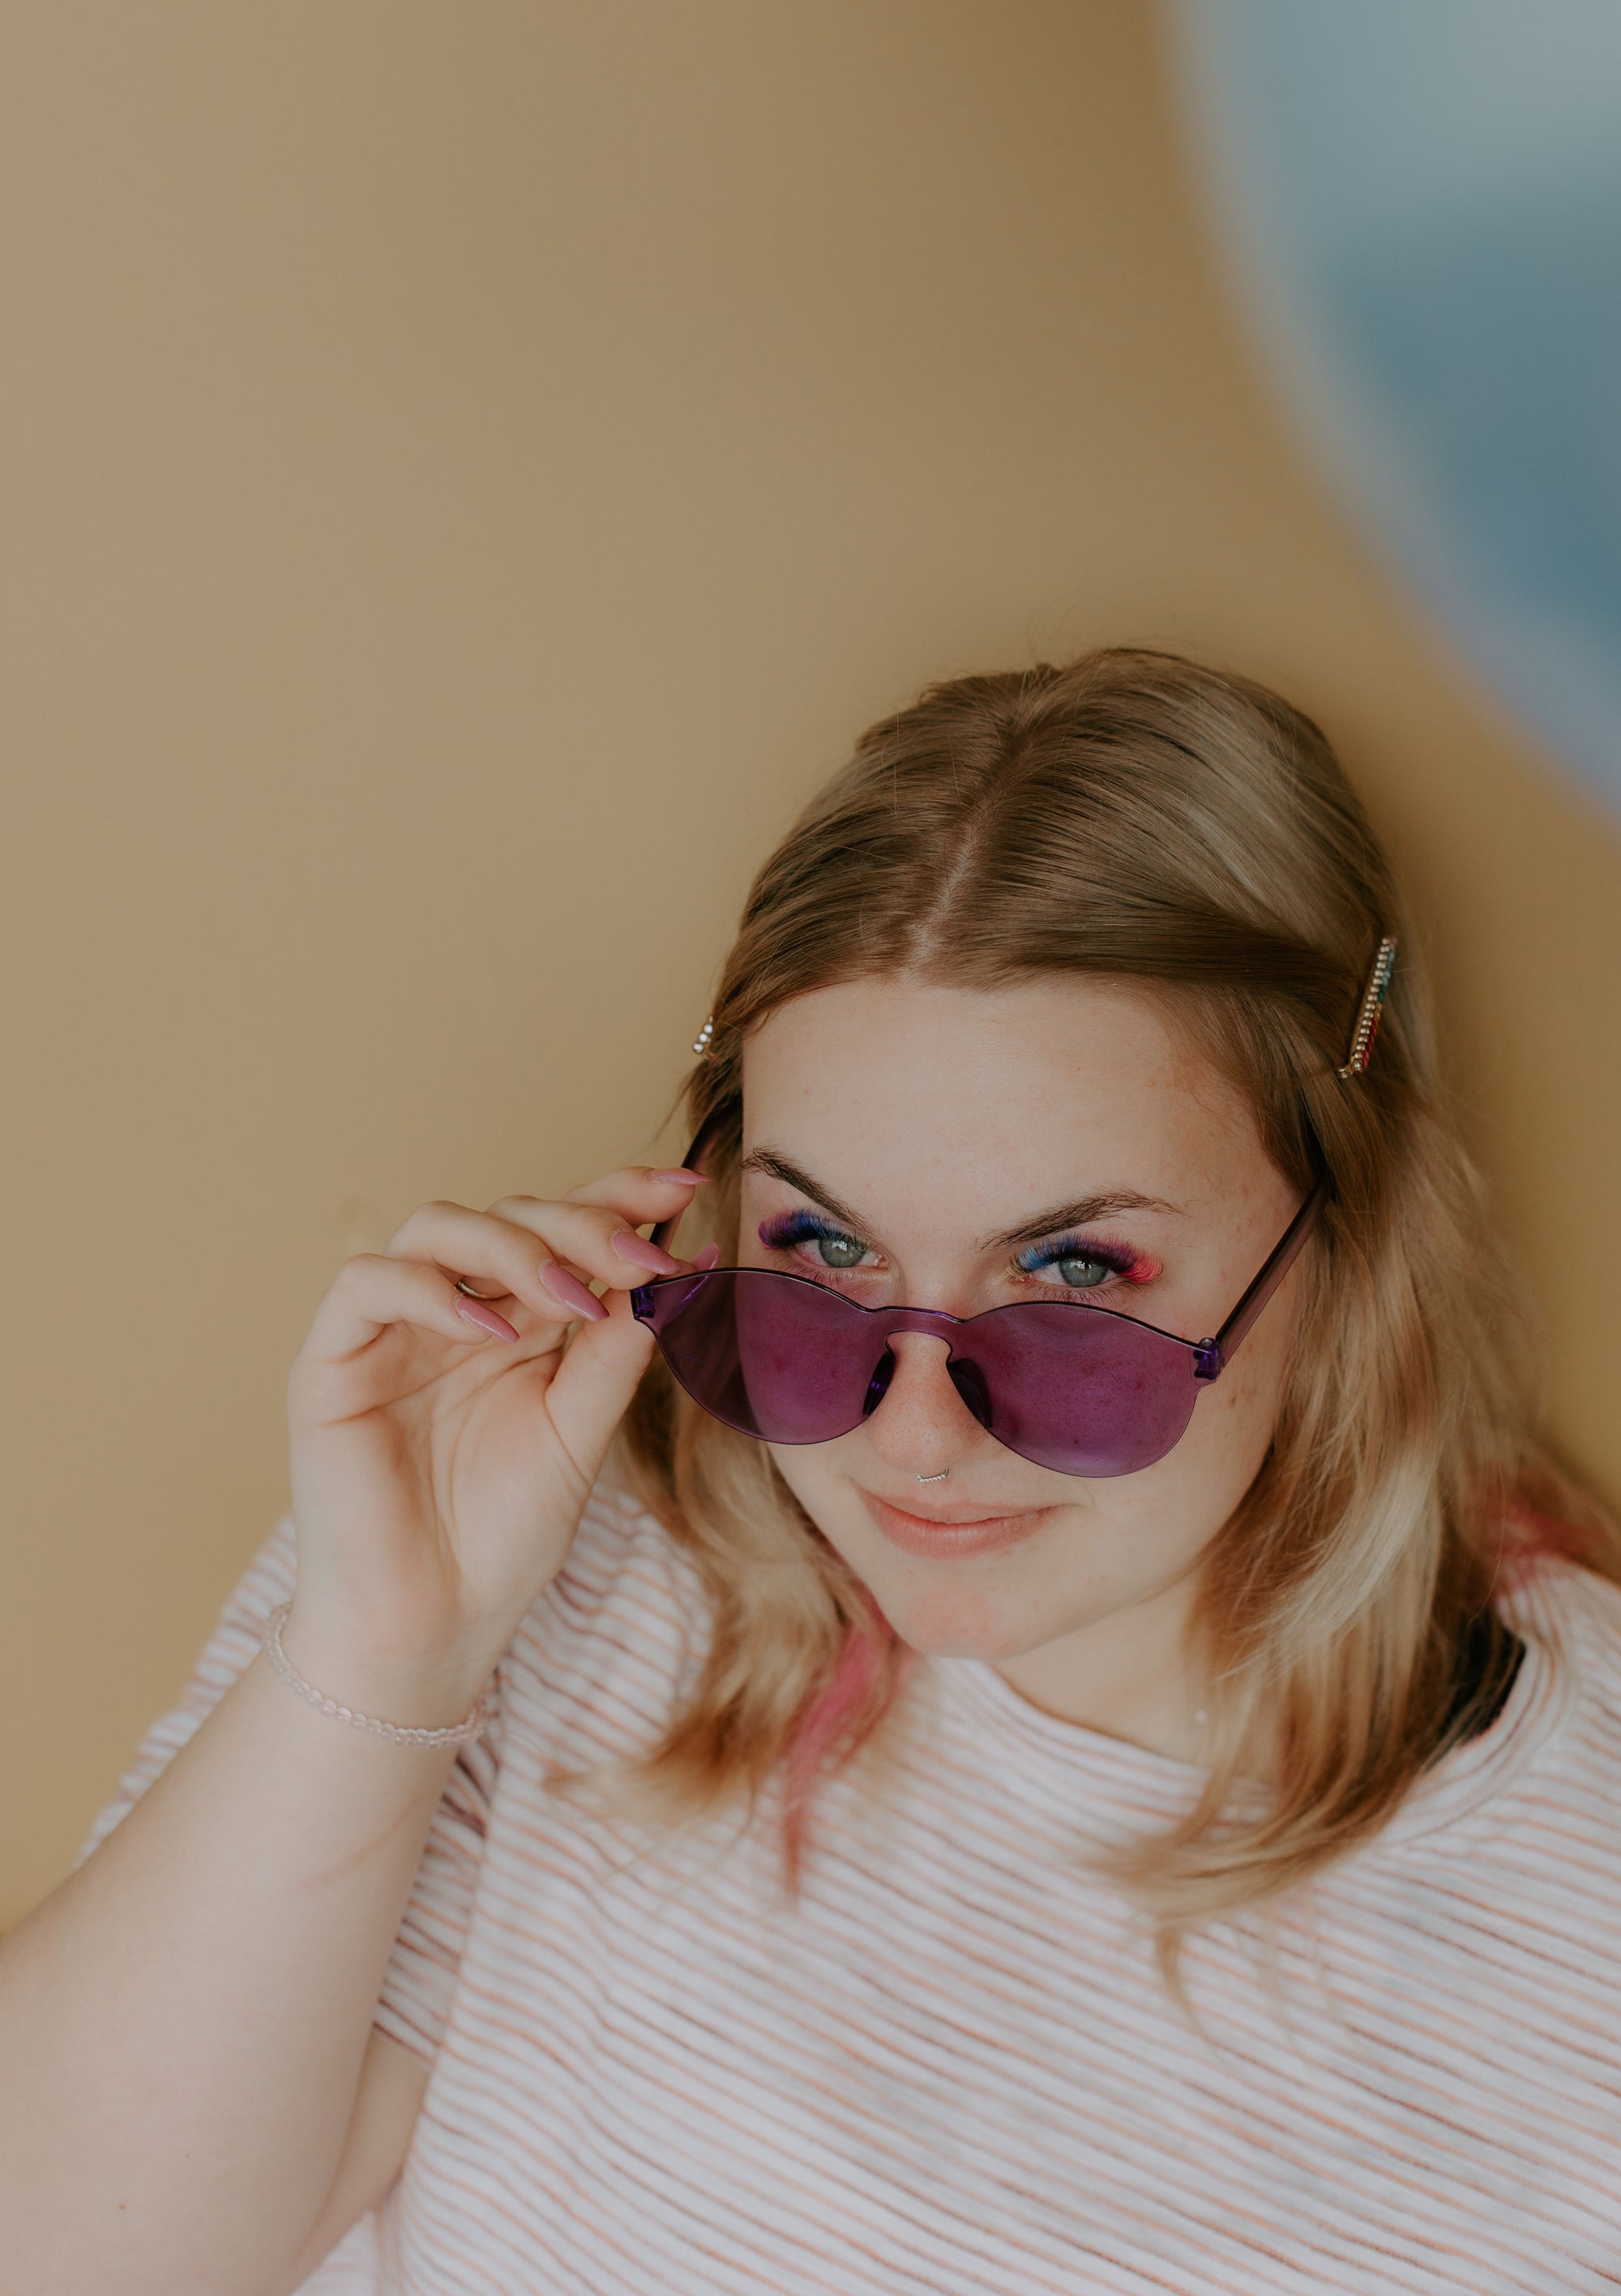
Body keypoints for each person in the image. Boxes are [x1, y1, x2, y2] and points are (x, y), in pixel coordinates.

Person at [6, 649, 1619, 2296]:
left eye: (1074, 1282)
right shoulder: (538, 1561)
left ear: (1343, 1245)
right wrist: (382, 1651)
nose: (912, 1434)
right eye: (819, 1249)